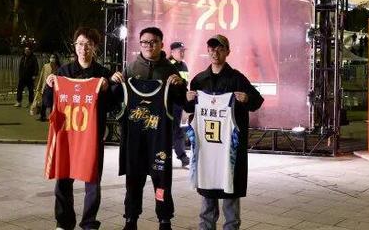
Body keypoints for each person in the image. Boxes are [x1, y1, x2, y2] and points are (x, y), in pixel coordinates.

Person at [184, 34, 263, 230]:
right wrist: (188, 100)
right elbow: (190, 110)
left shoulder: (237, 79)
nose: (215, 52)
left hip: (229, 150)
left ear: (228, 52)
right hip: (207, 150)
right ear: (207, 51)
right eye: (212, 48)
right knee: (207, 200)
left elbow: (257, 101)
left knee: (230, 199)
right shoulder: (199, 80)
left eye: (220, 48)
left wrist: (247, 98)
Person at [110, 27, 186, 230]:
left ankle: (164, 219)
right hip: (134, 141)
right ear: (140, 44)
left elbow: (184, 102)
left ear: (161, 44)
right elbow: (113, 100)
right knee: (133, 182)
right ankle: (131, 219)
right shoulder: (130, 69)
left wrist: (180, 86)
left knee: (161, 183)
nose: (149, 46)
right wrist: (113, 84)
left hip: (159, 141)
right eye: (145, 42)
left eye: (153, 42)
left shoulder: (170, 71)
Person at [44, 28, 112, 230]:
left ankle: (89, 223)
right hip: (67, 136)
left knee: (92, 182)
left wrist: (110, 88)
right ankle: (64, 222)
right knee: (63, 180)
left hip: (92, 137)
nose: (84, 48)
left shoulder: (103, 74)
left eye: (88, 44)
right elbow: (48, 102)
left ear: (95, 47)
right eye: (80, 44)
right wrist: (49, 86)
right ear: (74, 46)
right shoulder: (62, 73)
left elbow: (113, 105)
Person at [168, 41, 190, 168]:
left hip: (182, 103)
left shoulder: (184, 65)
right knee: (169, 131)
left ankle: (182, 156)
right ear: (172, 52)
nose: (182, 53)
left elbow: (185, 84)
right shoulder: (168, 65)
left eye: (183, 51)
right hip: (171, 103)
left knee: (180, 129)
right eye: (179, 51)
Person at [30, 52, 60, 121]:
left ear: (56, 59)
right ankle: (42, 115)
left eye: (54, 57)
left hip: (55, 87)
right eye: (51, 57)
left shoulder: (59, 67)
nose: (52, 59)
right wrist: (39, 86)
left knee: (53, 102)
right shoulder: (46, 66)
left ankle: (52, 116)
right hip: (45, 86)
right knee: (44, 102)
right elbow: (42, 76)